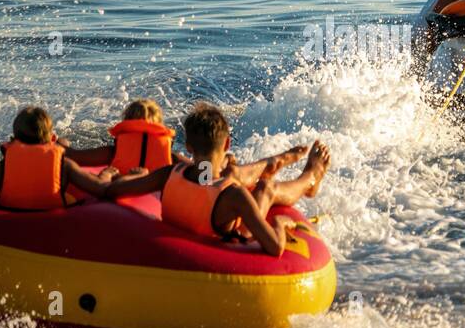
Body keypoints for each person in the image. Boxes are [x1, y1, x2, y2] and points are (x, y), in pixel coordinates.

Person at [105, 102, 329, 257]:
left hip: (203, 197)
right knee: (265, 187)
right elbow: (275, 247)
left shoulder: (168, 174)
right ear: (227, 143)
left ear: (189, 146)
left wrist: (112, 175)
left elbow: (112, 191)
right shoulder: (236, 196)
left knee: (225, 174)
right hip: (232, 234)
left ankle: (272, 163)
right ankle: (310, 178)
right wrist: (280, 224)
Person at [66, 98, 308, 183]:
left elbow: (75, 157)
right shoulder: (169, 158)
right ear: (160, 129)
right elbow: (197, 171)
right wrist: (222, 165)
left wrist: (58, 145)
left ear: (126, 127)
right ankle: (275, 163)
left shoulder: (112, 153)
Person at [0, 105, 117, 209]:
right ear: (52, 139)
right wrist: (107, 174)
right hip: (54, 220)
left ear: (14, 138)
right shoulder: (64, 165)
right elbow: (100, 189)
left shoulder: (6, 165)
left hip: (10, 220)